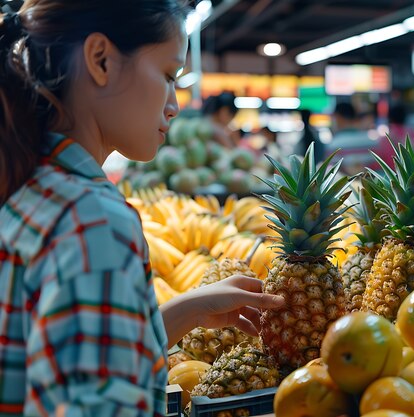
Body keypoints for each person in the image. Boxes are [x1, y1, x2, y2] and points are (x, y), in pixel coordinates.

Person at [0, 2, 284, 416]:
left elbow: (70, 362)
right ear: (101, 60)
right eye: (169, 75)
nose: (175, 104)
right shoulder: (93, 219)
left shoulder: (29, 184)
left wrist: (185, 310)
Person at [325, 102, 378, 175]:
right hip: (369, 184)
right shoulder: (372, 141)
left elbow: (331, 172)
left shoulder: (335, 144)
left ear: (338, 117)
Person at [378, 102, 414, 168]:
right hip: (412, 176)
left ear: (390, 118)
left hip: (388, 176)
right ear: (405, 117)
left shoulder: (384, 137)